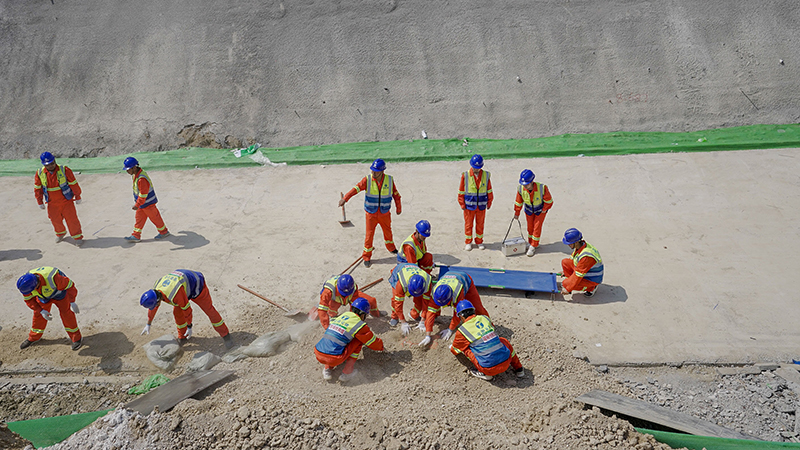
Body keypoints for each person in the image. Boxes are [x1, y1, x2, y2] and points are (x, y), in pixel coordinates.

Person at [139, 269, 234, 349]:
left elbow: (187, 310)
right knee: (177, 313)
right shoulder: (156, 291)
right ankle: (182, 337)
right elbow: (153, 308)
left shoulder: (174, 294)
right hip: (182, 284)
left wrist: (189, 326)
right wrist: (148, 323)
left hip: (197, 285)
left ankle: (226, 335)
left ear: (158, 299)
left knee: (209, 310)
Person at [338, 159, 402, 268]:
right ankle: (367, 256)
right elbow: (356, 189)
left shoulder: (389, 180)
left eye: (376, 171)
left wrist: (398, 208)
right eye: (372, 171)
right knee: (369, 235)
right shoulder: (367, 180)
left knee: (388, 232)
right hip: (371, 214)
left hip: (384, 213)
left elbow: (396, 194)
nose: (373, 173)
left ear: (382, 171)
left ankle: (391, 248)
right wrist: (345, 198)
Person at [449, 300, 524, 381]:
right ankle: (519, 369)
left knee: (466, 349)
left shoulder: (462, 330)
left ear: (461, 316)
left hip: (488, 369)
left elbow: (455, 350)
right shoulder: (485, 318)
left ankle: (483, 374)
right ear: (473, 311)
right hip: (506, 362)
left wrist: (451, 348)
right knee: (503, 340)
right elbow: (492, 331)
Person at [314, 298, 384, 382]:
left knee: (336, 339)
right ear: (362, 315)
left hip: (318, 352)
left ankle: (327, 369)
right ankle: (347, 373)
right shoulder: (359, 324)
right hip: (334, 358)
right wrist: (381, 347)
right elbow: (372, 342)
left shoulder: (343, 315)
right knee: (358, 340)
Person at [16, 267, 83, 350]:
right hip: (43, 297)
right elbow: (29, 300)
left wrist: (72, 301)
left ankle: (76, 338)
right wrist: (41, 311)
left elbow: (70, 286)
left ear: (36, 284)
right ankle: (34, 337)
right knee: (38, 315)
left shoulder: (54, 278)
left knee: (67, 314)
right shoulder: (26, 285)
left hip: (60, 294)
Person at [419, 270, 490, 347]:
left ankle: (489, 326)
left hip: (465, 280)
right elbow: (431, 312)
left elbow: (458, 314)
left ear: (450, 298)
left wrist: (450, 329)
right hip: (449, 277)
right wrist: (428, 334)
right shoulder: (436, 293)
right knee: (433, 310)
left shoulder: (457, 293)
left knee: (477, 307)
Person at [34, 152, 84, 246]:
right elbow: (38, 188)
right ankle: (60, 233)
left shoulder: (64, 170)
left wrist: (78, 196)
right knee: (55, 220)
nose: (51, 166)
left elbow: (73, 184)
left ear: (55, 160)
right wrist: (39, 201)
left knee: (72, 219)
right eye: (48, 165)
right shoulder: (40, 173)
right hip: (52, 203)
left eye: (52, 163)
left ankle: (77, 237)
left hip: (66, 201)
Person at [123, 157, 170, 242]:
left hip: (148, 204)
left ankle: (164, 232)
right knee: (139, 219)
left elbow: (143, 195)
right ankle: (136, 235)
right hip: (142, 204)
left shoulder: (141, 179)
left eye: (128, 169)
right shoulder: (136, 175)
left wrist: (137, 205)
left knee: (155, 218)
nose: (127, 171)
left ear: (134, 168)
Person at [513, 169, 553, 257]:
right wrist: (517, 212)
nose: (525, 186)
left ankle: (534, 245)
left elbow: (549, 201)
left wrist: (544, 209)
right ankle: (531, 242)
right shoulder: (521, 189)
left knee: (536, 228)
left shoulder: (542, 188)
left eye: (527, 184)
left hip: (540, 211)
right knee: (530, 228)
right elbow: (518, 202)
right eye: (523, 184)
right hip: (529, 211)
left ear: (532, 182)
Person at [458, 154, 493, 251]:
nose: (476, 169)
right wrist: (462, 204)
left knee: (480, 224)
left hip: (481, 205)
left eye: (478, 168)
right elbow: (461, 191)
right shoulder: (465, 176)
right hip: (469, 206)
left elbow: (489, 189)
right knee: (468, 224)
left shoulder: (486, 175)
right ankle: (468, 242)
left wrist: (489, 202)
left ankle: (479, 241)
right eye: (475, 167)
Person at [388, 263, 433, 336]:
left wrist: (423, 320)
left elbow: (426, 302)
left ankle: (413, 314)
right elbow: (398, 304)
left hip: (414, 269)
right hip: (398, 272)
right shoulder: (401, 283)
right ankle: (394, 317)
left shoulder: (427, 282)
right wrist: (403, 322)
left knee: (419, 301)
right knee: (395, 301)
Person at [559, 228, 604, 297]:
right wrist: (564, 272)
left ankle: (591, 288)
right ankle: (571, 281)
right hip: (585, 271)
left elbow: (578, 275)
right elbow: (572, 259)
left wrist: (568, 289)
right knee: (565, 262)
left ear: (576, 242)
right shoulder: (581, 245)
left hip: (591, 278)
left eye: (570, 243)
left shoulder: (586, 257)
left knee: (565, 284)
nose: (568, 245)